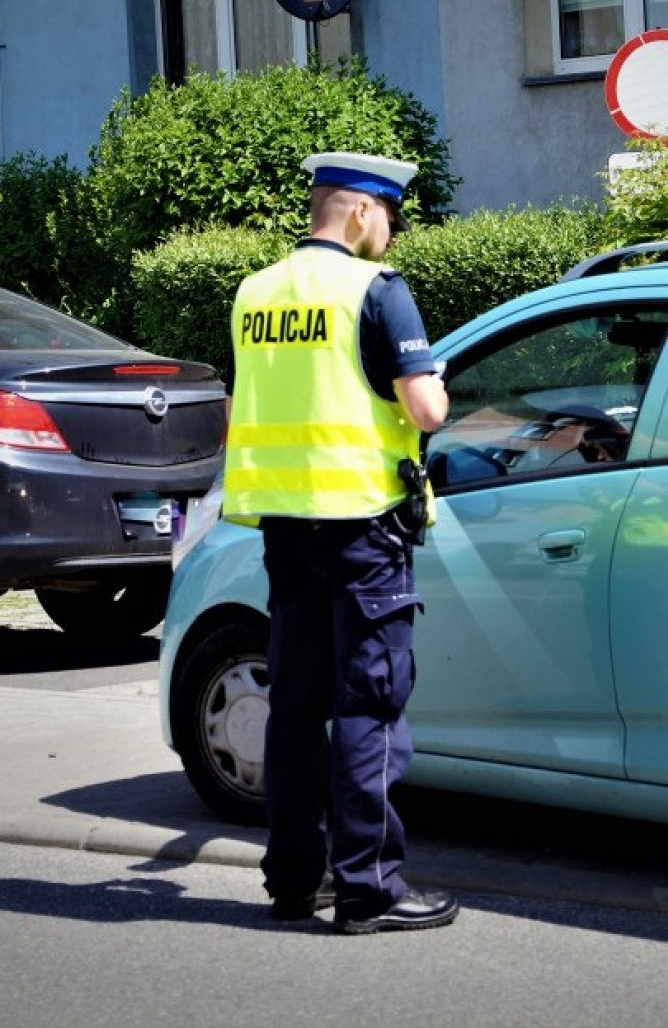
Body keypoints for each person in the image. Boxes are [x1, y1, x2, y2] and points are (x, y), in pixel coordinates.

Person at [220, 150, 458, 935]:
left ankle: (294, 881)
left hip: (285, 529)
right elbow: (425, 409)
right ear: (359, 210)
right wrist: (437, 380)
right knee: (369, 708)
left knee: (294, 707)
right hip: (363, 530)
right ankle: (368, 889)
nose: (390, 232)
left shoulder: (254, 294)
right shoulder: (376, 291)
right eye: (388, 215)